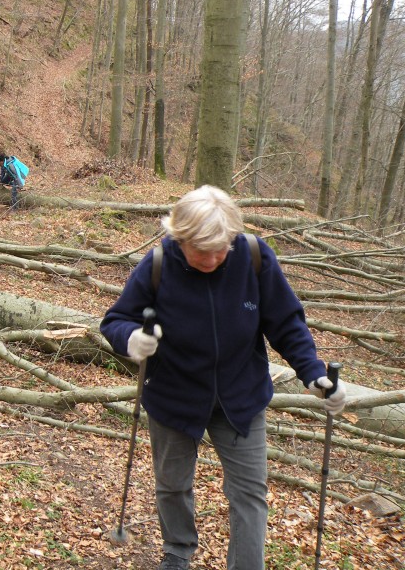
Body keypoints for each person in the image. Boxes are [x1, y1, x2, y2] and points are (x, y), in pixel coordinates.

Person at [100, 185, 347, 570]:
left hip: (240, 396)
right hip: (173, 395)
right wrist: (131, 339)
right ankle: (178, 550)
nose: (214, 258)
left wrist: (313, 373)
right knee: (172, 485)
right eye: (202, 250)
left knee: (249, 493)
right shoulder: (159, 263)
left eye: (222, 248)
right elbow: (116, 320)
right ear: (180, 238)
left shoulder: (253, 256)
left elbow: (284, 322)